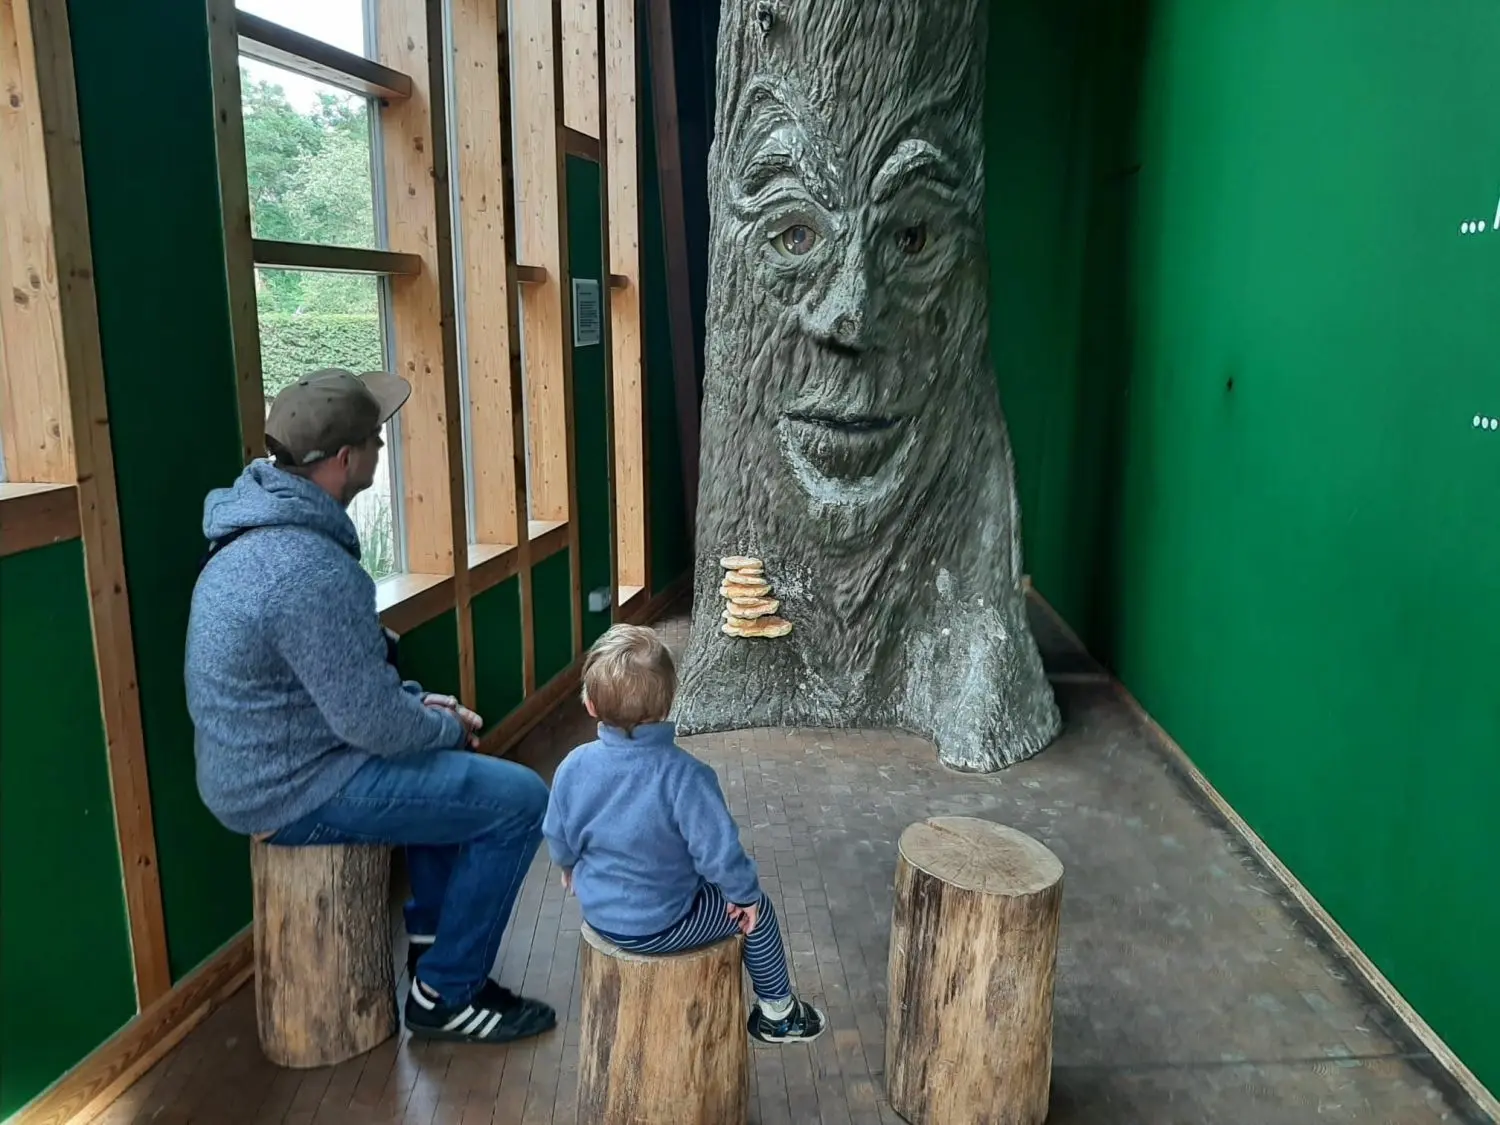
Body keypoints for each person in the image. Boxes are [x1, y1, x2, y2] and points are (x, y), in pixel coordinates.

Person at [185, 367, 554, 1045]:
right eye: (377, 441)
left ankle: (431, 940)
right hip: (289, 788)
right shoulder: (306, 568)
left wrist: (419, 708)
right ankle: (448, 992)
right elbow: (370, 723)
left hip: (276, 756)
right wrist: (431, 723)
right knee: (521, 800)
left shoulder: (259, 526)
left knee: (443, 749)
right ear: (348, 459)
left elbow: (335, 690)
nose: (383, 453)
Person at [542, 624, 825, 1043]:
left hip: (599, 912)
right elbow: (720, 856)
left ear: (590, 705)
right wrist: (743, 896)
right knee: (758, 913)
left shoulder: (573, 766)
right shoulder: (686, 776)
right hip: (663, 923)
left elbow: (558, 832)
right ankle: (778, 1013)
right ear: (668, 705)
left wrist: (568, 865)